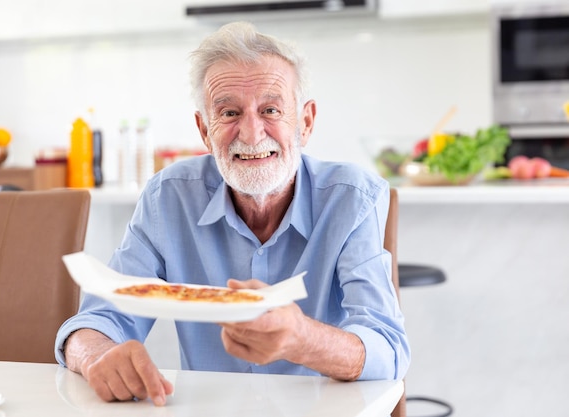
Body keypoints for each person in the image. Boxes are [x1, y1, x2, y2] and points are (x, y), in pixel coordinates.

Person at [55, 21, 410, 406]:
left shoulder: (352, 198)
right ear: (204, 130)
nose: (252, 133)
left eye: (270, 109)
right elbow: (95, 321)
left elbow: (388, 349)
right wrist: (98, 357)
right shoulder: (168, 197)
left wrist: (303, 339)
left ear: (305, 123)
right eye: (229, 113)